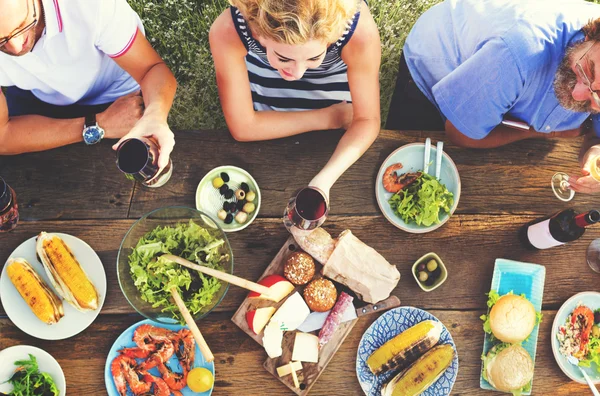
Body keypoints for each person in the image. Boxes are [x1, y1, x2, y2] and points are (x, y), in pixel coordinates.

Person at [387, 0, 600, 193]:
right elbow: (460, 134)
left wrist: (595, 153)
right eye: (585, 70)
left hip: (503, 88)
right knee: (401, 159)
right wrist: (542, 133)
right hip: (435, 66)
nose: (577, 95)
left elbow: (596, 138)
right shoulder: (519, 54)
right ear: (590, 34)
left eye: (598, 97)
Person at [209, 0, 381, 197]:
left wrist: (322, 184)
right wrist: (333, 117)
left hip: (331, 78)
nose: (298, 73)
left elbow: (367, 120)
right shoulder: (228, 29)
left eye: (314, 57)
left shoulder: (359, 31)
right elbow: (243, 127)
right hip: (273, 79)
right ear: (257, 31)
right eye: (283, 57)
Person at [0, 0, 177, 171]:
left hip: (115, 95)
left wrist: (155, 115)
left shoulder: (90, 4)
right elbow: (3, 136)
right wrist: (98, 125)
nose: (16, 48)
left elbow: (151, 70)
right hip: (38, 95)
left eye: (22, 25)